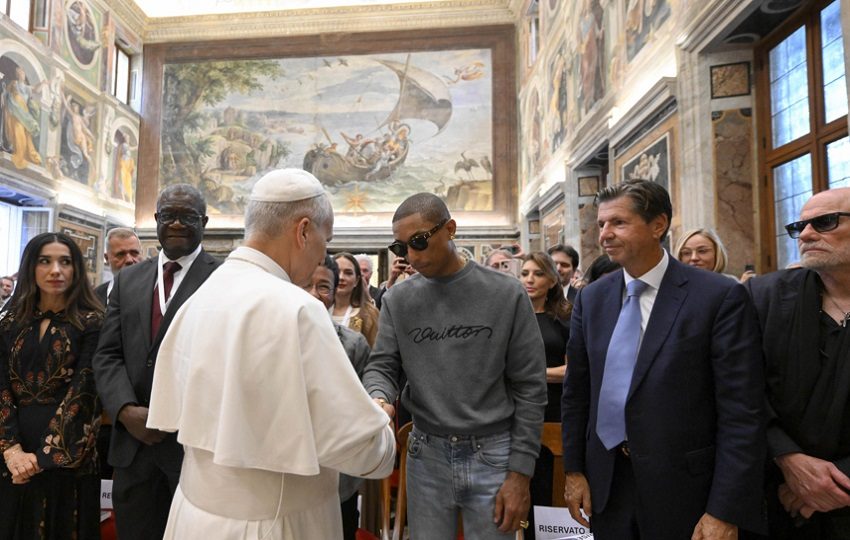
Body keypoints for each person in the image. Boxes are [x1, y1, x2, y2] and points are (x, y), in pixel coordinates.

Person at [146, 168, 395, 539]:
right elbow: (358, 450)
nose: (320, 255)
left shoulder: (200, 297)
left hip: (193, 516)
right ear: (303, 231)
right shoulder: (298, 308)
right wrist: (381, 426)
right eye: (324, 241)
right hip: (275, 524)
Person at [561, 179, 766, 539]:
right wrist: (575, 470)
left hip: (687, 490)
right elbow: (578, 391)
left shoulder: (717, 296)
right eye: (601, 224)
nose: (605, 234)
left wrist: (725, 508)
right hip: (608, 484)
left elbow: (741, 411)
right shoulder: (592, 299)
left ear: (658, 225)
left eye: (618, 223)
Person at [363, 192, 547, 538]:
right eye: (401, 248)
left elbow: (530, 387)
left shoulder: (506, 294)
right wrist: (378, 396)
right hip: (426, 452)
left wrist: (521, 473)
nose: (412, 256)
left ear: (450, 229)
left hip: (493, 452)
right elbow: (383, 365)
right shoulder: (399, 300)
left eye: (419, 242)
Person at [93, 184, 221, 540]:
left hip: (194, 447)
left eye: (188, 216)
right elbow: (107, 354)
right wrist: (123, 410)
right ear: (156, 220)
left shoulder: (224, 278)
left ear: (205, 222)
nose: (177, 224)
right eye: (169, 216)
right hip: (135, 448)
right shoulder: (129, 280)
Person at [745, 188, 850, 539]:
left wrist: (834, 482)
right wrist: (788, 460)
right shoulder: (763, 297)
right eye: (799, 226)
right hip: (775, 498)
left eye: (825, 222)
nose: (805, 234)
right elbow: (739, 389)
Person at [0, 232, 104, 538]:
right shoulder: (8, 323)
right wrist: (11, 450)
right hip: (13, 450)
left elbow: (85, 391)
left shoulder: (94, 322)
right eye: (45, 261)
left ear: (76, 270)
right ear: (31, 267)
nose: (55, 270)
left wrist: (42, 459)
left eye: (65, 262)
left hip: (69, 454)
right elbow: (0, 387)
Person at [305, 255, 373, 540]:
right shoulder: (270, 338)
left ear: (334, 295)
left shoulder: (353, 344)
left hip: (338, 475)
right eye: (306, 285)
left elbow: (362, 407)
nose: (313, 294)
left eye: (323, 287)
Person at [519, 251, 571, 540]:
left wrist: (534, 374)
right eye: (525, 273)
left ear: (552, 280)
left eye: (538, 274)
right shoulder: (511, 314)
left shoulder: (565, 316)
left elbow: (574, 370)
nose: (530, 279)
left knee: (548, 489)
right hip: (514, 412)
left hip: (554, 413)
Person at [332, 252, 379, 347]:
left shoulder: (368, 313)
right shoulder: (318, 309)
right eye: (336, 271)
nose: (341, 277)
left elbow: (376, 351)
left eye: (348, 273)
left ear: (356, 281)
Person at [673, 228, 743, 281]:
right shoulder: (670, 288)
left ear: (717, 253)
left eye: (702, 251)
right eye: (686, 253)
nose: (694, 258)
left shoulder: (731, 285)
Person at [95, 227, 143, 306]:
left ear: (141, 254)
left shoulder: (156, 292)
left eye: (134, 253)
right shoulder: (95, 298)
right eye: (121, 254)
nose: (129, 260)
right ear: (107, 258)